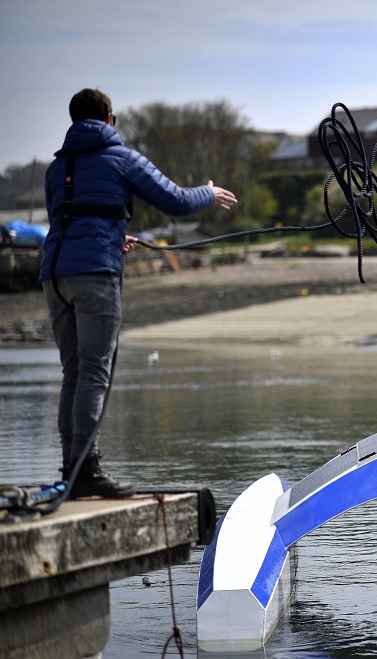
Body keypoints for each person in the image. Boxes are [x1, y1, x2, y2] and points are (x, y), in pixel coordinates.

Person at [41, 88, 238, 499]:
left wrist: (115, 234)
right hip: (95, 274)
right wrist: (209, 192)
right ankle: (87, 470)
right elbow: (175, 201)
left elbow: (67, 219)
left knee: (73, 372)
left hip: (55, 275)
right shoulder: (121, 158)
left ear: (73, 120)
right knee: (95, 372)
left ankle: (70, 466)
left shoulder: (56, 168)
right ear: (110, 118)